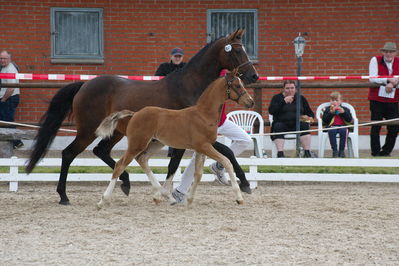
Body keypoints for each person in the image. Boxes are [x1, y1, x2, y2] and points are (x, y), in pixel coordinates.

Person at [171, 102, 252, 204]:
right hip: (206, 125)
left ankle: (218, 166)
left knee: (245, 140)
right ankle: (180, 191)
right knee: (199, 156)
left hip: (222, 122)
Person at [268, 80, 314, 158]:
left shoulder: (301, 98)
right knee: (278, 126)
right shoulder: (277, 98)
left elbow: (310, 113)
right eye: (287, 88)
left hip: (297, 124)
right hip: (282, 123)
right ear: (283, 89)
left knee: (305, 125)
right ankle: (280, 153)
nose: (290, 90)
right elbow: (271, 111)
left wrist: (308, 118)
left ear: (295, 89)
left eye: (292, 88)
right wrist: (283, 101)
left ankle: (307, 152)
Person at [368, 42, 399, 157]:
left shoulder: (398, 61)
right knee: (376, 125)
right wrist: (389, 81)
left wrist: (395, 82)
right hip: (377, 98)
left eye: (391, 51)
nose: (388, 54)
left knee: (395, 126)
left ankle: (386, 152)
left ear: (395, 53)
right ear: (382, 52)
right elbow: (372, 78)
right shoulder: (375, 60)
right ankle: (375, 152)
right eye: (386, 51)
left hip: (393, 99)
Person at [155, 47, 186, 157]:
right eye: (176, 56)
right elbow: (156, 80)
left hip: (181, 100)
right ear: (171, 56)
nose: (177, 58)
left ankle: (176, 147)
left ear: (182, 57)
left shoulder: (186, 67)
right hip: (166, 98)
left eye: (179, 56)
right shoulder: (164, 67)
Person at [0, 50, 23, 149]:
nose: (2, 60)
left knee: (8, 121)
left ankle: (17, 142)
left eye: (4, 58)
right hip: (6, 98)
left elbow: (11, 87)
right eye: (1, 58)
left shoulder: (11, 69)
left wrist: (4, 99)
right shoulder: (4, 68)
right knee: (5, 120)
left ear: (9, 59)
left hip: (9, 98)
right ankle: (13, 142)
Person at [322, 91, 353, 158]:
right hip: (332, 126)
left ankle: (341, 151)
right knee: (332, 131)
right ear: (330, 101)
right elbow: (325, 120)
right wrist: (331, 113)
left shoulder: (345, 109)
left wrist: (343, 113)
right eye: (333, 100)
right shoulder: (328, 109)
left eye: (336, 100)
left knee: (343, 131)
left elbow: (349, 119)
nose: (335, 102)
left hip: (343, 126)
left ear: (340, 101)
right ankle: (335, 151)